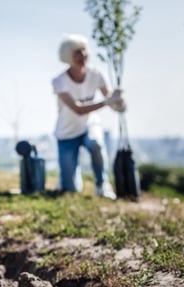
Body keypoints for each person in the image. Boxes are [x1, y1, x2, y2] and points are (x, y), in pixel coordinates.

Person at [52, 34, 125, 199]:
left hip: (89, 125)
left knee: (96, 144)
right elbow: (78, 109)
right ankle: (68, 178)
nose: (82, 55)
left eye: (84, 51)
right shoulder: (59, 81)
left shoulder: (96, 74)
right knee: (70, 189)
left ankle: (102, 185)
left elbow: (111, 99)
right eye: (77, 52)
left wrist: (119, 103)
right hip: (67, 132)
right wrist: (107, 102)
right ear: (68, 56)